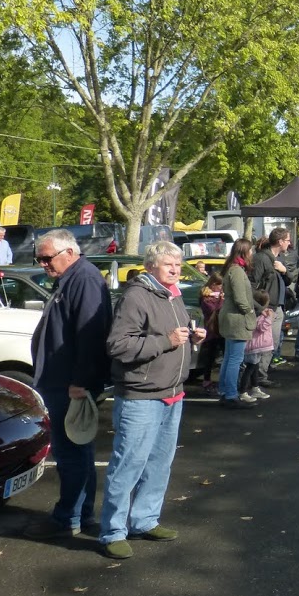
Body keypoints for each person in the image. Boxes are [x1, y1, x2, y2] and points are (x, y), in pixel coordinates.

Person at [99, 240, 206, 560]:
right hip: (140, 397)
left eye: (177, 263)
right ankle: (112, 531)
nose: (175, 269)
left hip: (173, 394)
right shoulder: (136, 296)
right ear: (150, 267)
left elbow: (176, 334)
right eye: (167, 264)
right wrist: (166, 340)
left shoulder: (172, 295)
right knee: (128, 465)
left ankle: (144, 520)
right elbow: (118, 346)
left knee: (159, 464)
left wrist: (193, 335)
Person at [24, 229, 112, 540]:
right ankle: (79, 514)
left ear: (69, 253)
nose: (43, 264)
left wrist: (80, 381)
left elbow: (90, 335)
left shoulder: (84, 278)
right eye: (40, 258)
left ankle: (68, 518)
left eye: (47, 258)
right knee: (78, 452)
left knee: (71, 453)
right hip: (62, 381)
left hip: (68, 385)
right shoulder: (73, 278)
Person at [217, 239, 256, 409]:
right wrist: (250, 311)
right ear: (245, 252)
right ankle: (231, 394)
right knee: (235, 359)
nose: (252, 254)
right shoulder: (237, 271)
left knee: (229, 357)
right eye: (251, 251)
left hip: (230, 317)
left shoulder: (231, 268)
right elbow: (241, 299)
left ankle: (225, 391)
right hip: (237, 319)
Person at [249, 227, 290, 388]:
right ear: (280, 242)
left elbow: (289, 279)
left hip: (277, 307)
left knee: (272, 342)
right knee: (263, 344)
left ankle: (261, 374)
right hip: (267, 308)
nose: (289, 243)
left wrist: (284, 270)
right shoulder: (261, 259)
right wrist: (260, 307)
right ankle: (257, 377)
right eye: (287, 240)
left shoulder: (278, 259)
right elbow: (251, 285)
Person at [189, 271, 224, 393]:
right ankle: (206, 380)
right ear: (213, 284)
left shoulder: (216, 295)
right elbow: (213, 309)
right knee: (210, 357)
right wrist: (220, 300)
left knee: (220, 355)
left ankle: (220, 380)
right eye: (220, 286)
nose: (221, 289)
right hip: (211, 330)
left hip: (219, 329)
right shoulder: (206, 297)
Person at [239, 288, 274, 402]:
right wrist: (269, 318)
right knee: (250, 368)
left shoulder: (256, 313)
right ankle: (243, 391)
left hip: (255, 346)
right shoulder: (259, 315)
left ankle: (255, 387)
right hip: (255, 346)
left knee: (254, 367)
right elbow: (262, 327)